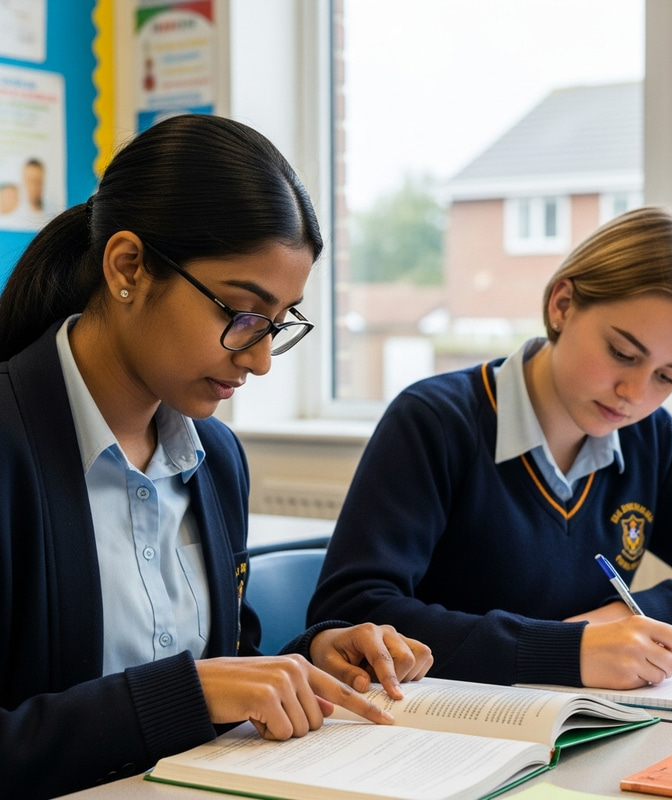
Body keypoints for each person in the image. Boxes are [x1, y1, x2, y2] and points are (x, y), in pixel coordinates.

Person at [0, 114, 432, 799]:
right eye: (240, 312)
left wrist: (309, 660)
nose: (259, 360)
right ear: (128, 267)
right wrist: (181, 696)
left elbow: (224, 667)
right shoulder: (12, 446)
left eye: (278, 323)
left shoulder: (216, 458)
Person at [308, 205, 672, 693]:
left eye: (668, 377)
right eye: (622, 354)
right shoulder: (437, 421)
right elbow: (351, 614)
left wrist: (632, 612)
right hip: (441, 732)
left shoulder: (649, 439)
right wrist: (564, 649)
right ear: (562, 305)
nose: (635, 393)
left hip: (580, 720)